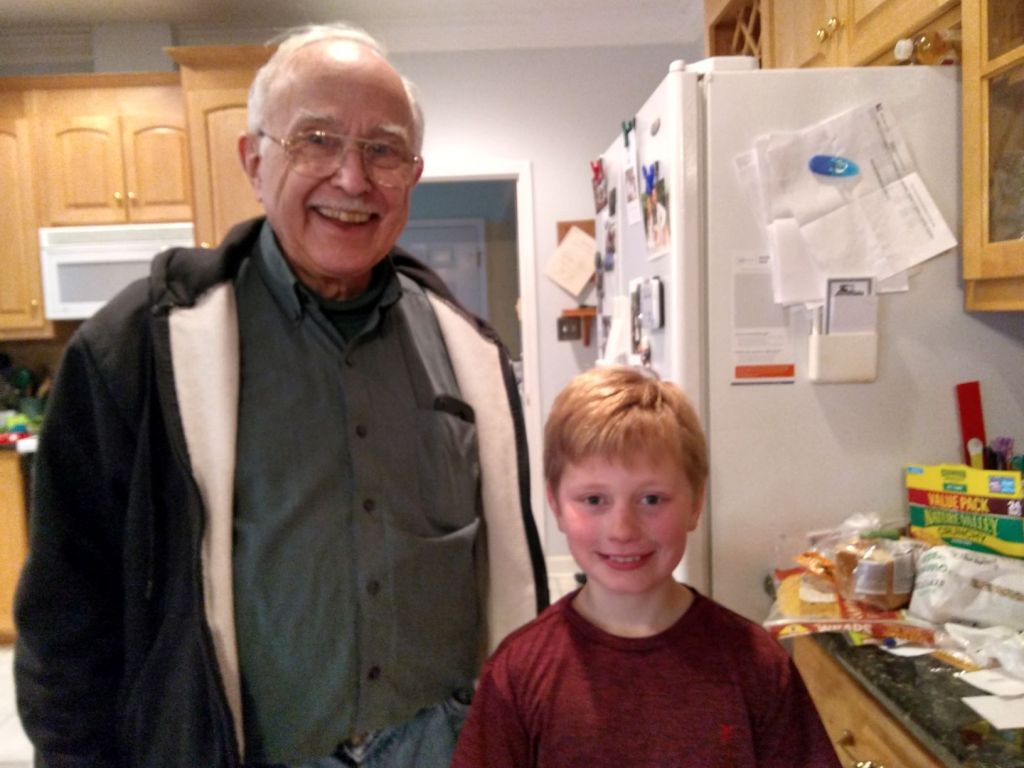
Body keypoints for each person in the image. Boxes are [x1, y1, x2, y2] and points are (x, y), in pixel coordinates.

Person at [14, 22, 548, 768]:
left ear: (412, 177)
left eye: (383, 150)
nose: (352, 179)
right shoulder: (137, 351)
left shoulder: (474, 358)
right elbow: (67, 626)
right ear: (254, 160)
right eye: (316, 140)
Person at [451, 365, 840, 768]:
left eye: (651, 499)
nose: (623, 530)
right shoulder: (517, 673)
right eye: (594, 500)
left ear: (695, 503)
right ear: (556, 506)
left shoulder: (758, 665)